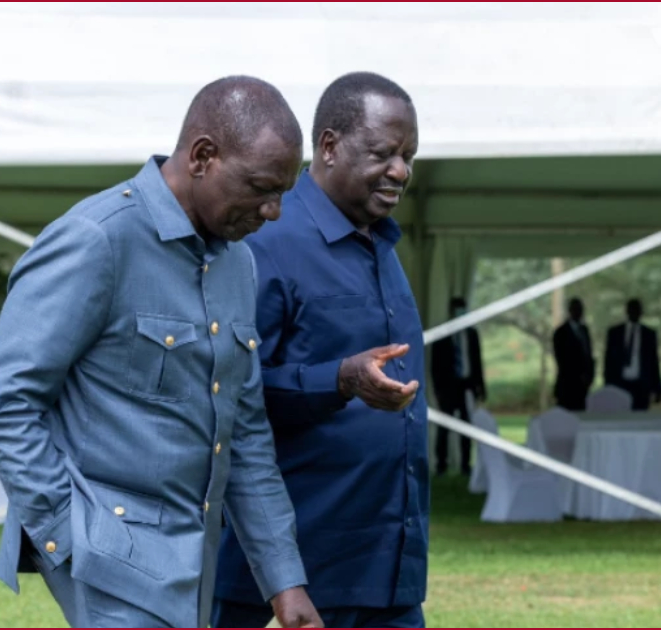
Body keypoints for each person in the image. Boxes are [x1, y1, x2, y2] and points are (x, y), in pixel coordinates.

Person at [0, 76, 322, 629]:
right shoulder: (97, 239)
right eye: (261, 188)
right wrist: (68, 533)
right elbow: (3, 402)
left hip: (191, 561)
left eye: (283, 192)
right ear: (203, 156)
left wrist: (284, 579)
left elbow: (245, 430)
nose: (274, 211)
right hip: (110, 559)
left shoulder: (238, 262)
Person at [213, 72, 427, 628]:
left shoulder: (382, 243)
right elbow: (226, 395)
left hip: (387, 572)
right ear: (329, 146)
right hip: (288, 579)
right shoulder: (266, 241)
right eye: (384, 153)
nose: (400, 171)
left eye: (409, 155)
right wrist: (339, 380)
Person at [430, 297, 486, 475]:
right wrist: (438, 391)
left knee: (466, 425)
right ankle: (441, 464)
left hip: (466, 386)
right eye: (457, 309)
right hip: (448, 387)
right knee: (445, 427)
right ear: (451, 311)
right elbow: (435, 366)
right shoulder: (442, 335)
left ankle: (465, 464)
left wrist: (480, 387)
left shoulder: (471, 334)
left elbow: (477, 362)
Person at [603, 298, 661, 411]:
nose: (634, 313)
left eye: (637, 310)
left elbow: (654, 362)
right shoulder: (615, 333)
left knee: (640, 418)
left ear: (641, 312)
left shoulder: (649, 334)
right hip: (619, 384)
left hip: (641, 386)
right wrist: (607, 384)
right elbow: (608, 361)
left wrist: (657, 389)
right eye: (632, 309)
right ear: (627, 311)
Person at [552, 297, 595, 411]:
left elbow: (588, 354)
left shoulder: (584, 330)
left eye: (580, 309)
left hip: (583, 386)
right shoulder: (561, 333)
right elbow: (561, 359)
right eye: (575, 309)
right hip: (567, 385)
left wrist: (590, 376)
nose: (579, 312)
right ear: (570, 311)